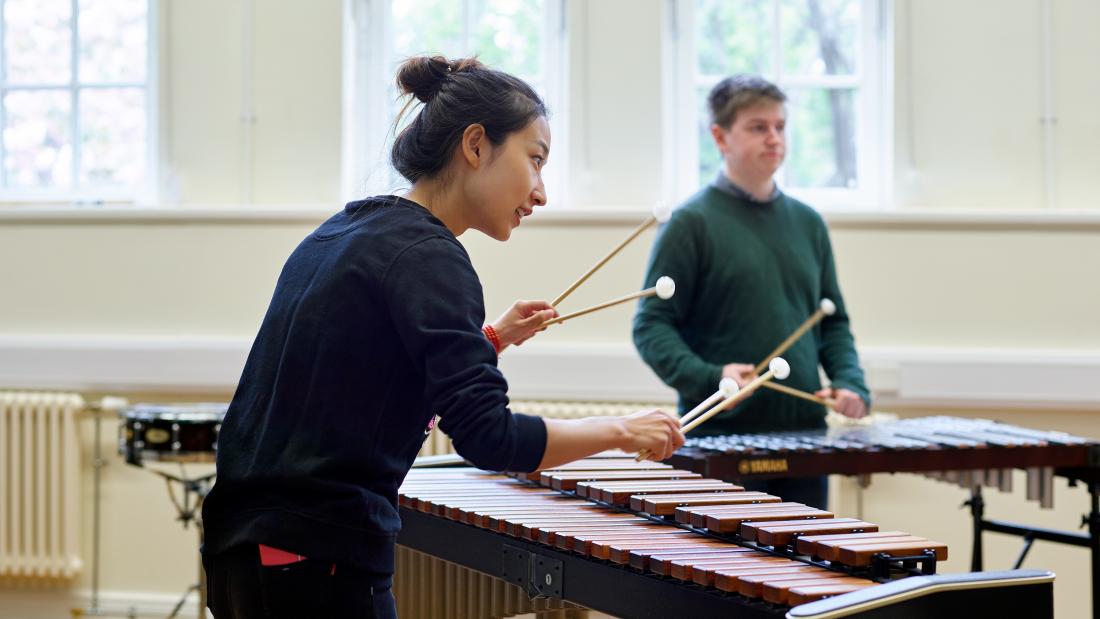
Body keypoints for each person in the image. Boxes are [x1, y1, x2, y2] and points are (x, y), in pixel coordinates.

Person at [201, 55, 684, 619]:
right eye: (535, 160)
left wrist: (489, 338)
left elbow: (363, 365)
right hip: (316, 559)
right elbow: (490, 438)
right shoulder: (432, 257)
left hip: (246, 547)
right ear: (476, 146)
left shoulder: (346, 230)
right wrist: (624, 430)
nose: (542, 192)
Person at [632, 74, 869, 510]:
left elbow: (832, 322)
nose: (774, 138)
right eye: (759, 127)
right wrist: (712, 377)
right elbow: (651, 326)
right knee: (715, 575)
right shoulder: (690, 223)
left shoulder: (808, 223)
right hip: (719, 441)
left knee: (806, 572)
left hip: (804, 441)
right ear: (720, 136)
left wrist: (851, 382)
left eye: (780, 126)